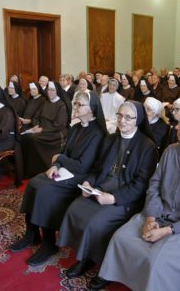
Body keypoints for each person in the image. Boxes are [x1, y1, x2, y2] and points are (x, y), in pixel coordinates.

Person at [98, 106, 180, 291]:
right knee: (120, 238)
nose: (176, 127)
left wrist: (167, 230)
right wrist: (151, 217)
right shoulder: (171, 151)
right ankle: (122, 277)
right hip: (159, 214)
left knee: (157, 261)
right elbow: (154, 186)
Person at [58, 101, 157, 287]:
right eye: (120, 115)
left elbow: (142, 185)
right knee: (74, 209)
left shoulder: (147, 146)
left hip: (125, 198)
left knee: (95, 222)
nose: (122, 120)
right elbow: (97, 169)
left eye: (128, 117)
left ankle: (105, 270)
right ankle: (85, 257)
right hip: (101, 188)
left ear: (138, 120)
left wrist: (113, 198)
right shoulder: (111, 139)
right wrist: (89, 182)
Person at [10, 92, 106, 265]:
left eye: (79, 104)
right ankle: (31, 234)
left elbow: (83, 165)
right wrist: (56, 165)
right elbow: (64, 153)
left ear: (92, 108)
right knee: (33, 183)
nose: (75, 106)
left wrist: (59, 160)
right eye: (75, 103)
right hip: (66, 171)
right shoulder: (76, 127)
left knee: (45, 190)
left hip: (81, 177)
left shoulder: (98, 133)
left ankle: (48, 243)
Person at [21, 81, 70, 177]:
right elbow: (36, 117)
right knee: (25, 137)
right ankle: (28, 169)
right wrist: (36, 125)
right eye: (48, 90)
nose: (50, 92)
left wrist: (42, 129)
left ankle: (39, 168)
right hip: (42, 129)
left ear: (57, 91)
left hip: (55, 133)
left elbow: (59, 125)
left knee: (32, 139)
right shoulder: (46, 103)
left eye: (52, 90)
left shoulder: (61, 105)